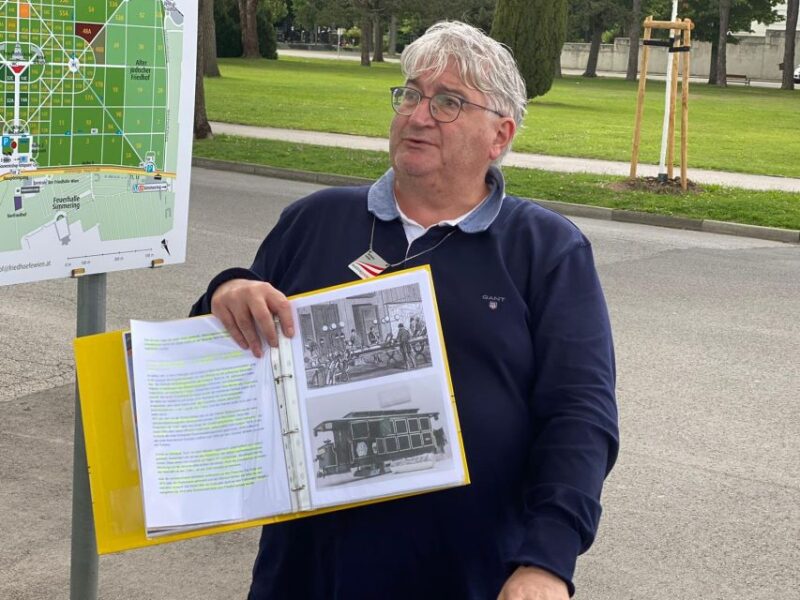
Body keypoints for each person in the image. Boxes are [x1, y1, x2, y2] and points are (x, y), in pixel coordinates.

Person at [190, 21, 618, 600]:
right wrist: (226, 290)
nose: (418, 115)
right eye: (411, 94)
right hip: (310, 573)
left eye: (447, 102)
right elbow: (218, 368)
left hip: (471, 574)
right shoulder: (315, 220)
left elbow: (580, 417)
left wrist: (547, 559)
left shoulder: (546, 249)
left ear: (500, 135)